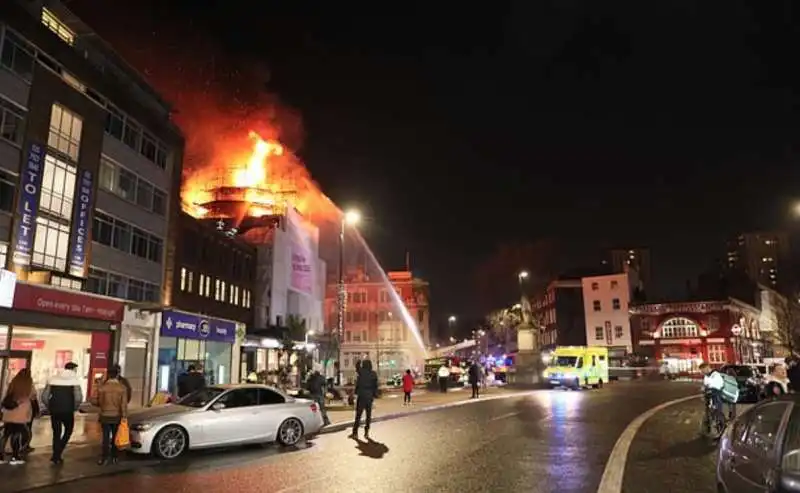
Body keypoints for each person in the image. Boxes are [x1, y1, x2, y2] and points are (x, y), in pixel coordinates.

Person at [41, 362, 83, 465]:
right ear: (73, 369)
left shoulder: (53, 378)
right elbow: (78, 397)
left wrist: (49, 406)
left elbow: (44, 396)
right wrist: (75, 407)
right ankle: (58, 453)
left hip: (55, 410)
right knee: (68, 430)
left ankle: (56, 455)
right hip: (68, 410)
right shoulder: (74, 380)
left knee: (56, 433)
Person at [91, 366, 128, 465]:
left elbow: (93, 400)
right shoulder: (122, 388)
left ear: (108, 375)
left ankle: (104, 458)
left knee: (105, 437)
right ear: (117, 374)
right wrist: (124, 416)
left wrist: (101, 404)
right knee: (116, 437)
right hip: (117, 416)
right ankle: (114, 457)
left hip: (104, 415)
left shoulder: (102, 387)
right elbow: (123, 404)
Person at [0, 369, 36, 465]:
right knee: (19, 434)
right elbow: (33, 396)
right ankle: (15, 456)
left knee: (6, 434)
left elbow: (6, 395)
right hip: (21, 412)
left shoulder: (13, 382)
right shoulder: (29, 385)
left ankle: (0, 456)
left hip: (9, 411)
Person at [350, 359, 378, 440]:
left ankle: (355, 433)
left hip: (362, 395)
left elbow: (357, 366)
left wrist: (359, 360)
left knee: (358, 415)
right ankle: (366, 432)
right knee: (368, 415)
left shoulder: (361, 371)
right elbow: (375, 386)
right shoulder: (373, 373)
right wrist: (374, 394)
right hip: (369, 396)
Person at [700, 362, 726, 433]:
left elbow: (718, 385)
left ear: (707, 368)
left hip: (716, 394)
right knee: (708, 410)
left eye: (703, 370)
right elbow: (705, 385)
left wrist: (709, 387)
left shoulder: (716, 375)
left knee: (717, 410)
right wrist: (704, 389)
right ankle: (707, 428)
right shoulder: (706, 376)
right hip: (709, 395)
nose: (702, 372)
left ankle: (721, 427)